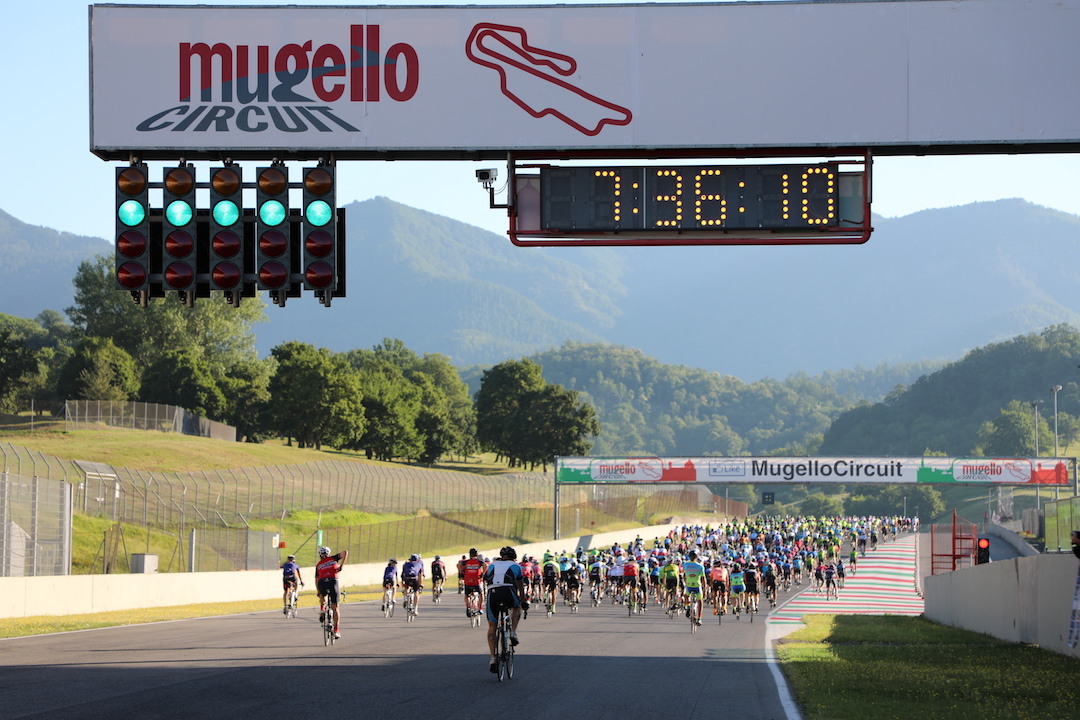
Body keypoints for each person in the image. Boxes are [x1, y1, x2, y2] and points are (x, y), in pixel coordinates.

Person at [484, 546, 526, 673]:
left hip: (492, 593)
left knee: (492, 626)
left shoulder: (491, 565)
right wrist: (523, 601)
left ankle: (493, 658)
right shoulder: (516, 566)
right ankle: (512, 632)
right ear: (514, 557)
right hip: (508, 592)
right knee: (517, 606)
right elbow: (520, 587)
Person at [315, 546, 348, 639]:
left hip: (322, 582)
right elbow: (345, 552)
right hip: (333, 581)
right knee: (335, 607)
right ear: (328, 553)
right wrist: (341, 566)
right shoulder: (333, 558)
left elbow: (316, 580)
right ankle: (336, 630)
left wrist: (318, 592)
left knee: (322, 595)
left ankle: (322, 608)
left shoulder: (318, 565)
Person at [461, 548, 487, 617]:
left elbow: (458, 564)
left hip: (468, 581)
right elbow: (485, 565)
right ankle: (480, 608)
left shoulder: (466, 562)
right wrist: (483, 574)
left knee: (467, 595)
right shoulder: (479, 562)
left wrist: (461, 572)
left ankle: (468, 607)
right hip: (477, 582)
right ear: (477, 555)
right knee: (481, 594)